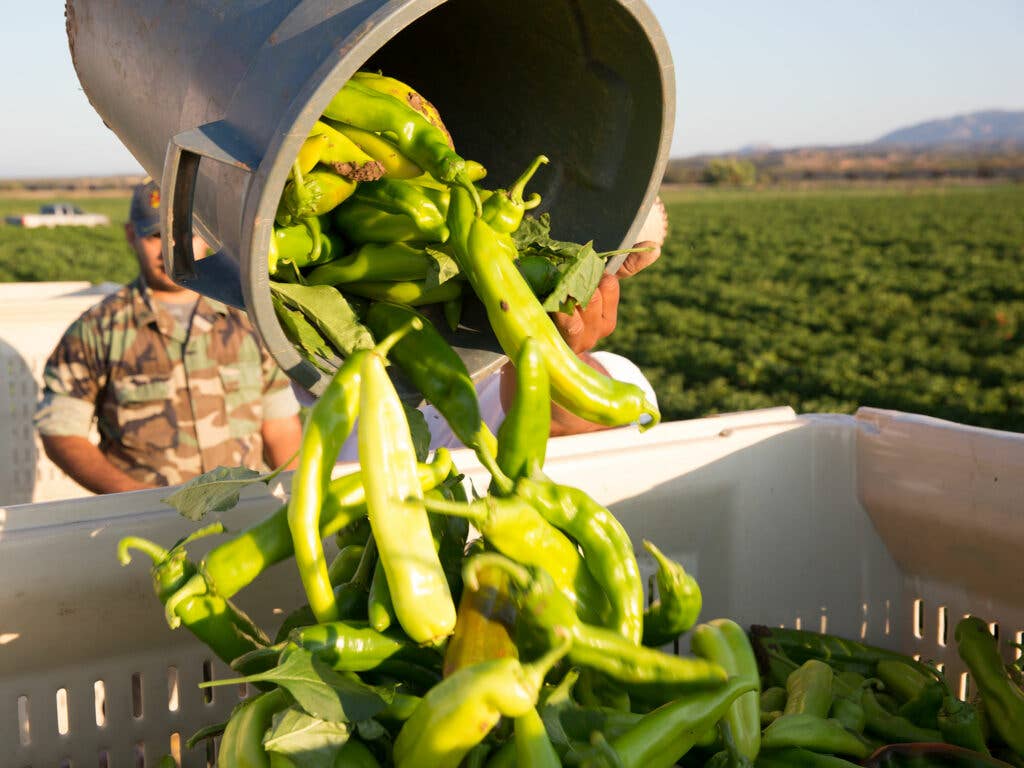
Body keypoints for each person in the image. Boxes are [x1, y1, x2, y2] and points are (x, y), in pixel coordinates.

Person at [34, 179, 303, 494]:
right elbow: (61, 432)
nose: (171, 249)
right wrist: (133, 500)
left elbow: (280, 424)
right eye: (156, 236)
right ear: (131, 236)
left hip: (245, 515)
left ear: (207, 238)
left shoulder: (247, 321)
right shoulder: (97, 330)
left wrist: (295, 493)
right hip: (148, 526)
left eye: (186, 234)